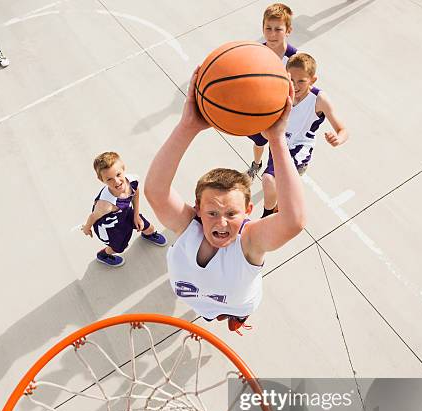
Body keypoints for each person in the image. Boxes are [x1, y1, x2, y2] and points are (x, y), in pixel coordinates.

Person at [144, 69, 305, 334]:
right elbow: (155, 191)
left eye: (232, 213)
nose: (221, 222)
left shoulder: (249, 241)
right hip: (200, 302)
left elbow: (294, 221)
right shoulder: (189, 227)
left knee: (232, 315)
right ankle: (217, 315)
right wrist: (188, 125)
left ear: (248, 211)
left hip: (238, 304)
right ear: (197, 209)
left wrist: (276, 139)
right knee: (209, 315)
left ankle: (235, 320)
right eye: (211, 213)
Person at [261, 52, 349, 217]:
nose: (294, 86)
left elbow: (343, 129)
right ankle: (273, 212)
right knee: (272, 185)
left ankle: (266, 217)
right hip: (278, 143)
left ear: (312, 80)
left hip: (299, 150)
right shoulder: (280, 91)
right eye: (291, 80)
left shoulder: (319, 100)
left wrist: (338, 138)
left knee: (269, 180)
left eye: (301, 81)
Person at [82, 152, 167, 268]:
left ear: (123, 169)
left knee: (149, 227)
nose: (116, 182)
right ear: (101, 180)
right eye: (109, 179)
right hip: (112, 226)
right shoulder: (106, 204)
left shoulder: (132, 181)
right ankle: (103, 255)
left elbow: (135, 193)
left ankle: (148, 235)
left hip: (126, 213)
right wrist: (87, 228)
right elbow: (93, 216)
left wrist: (136, 215)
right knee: (119, 247)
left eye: (118, 174)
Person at [247, 3, 297, 180]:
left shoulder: (294, 59)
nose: (272, 34)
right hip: (259, 110)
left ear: (288, 30)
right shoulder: (256, 52)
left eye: (278, 29)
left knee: (277, 151)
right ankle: (256, 163)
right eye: (268, 28)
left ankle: (276, 179)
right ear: (262, 28)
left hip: (281, 113)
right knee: (259, 142)